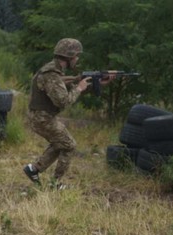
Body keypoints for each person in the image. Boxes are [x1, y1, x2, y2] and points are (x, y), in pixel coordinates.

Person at [23, 38, 112, 189]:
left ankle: (34, 169)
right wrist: (79, 87)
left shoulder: (54, 71)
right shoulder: (51, 74)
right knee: (69, 145)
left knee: (61, 143)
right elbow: (62, 101)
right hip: (42, 118)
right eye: (77, 56)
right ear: (70, 57)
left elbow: (63, 86)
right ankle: (55, 183)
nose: (77, 60)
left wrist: (90, 84)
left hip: (42, 117)